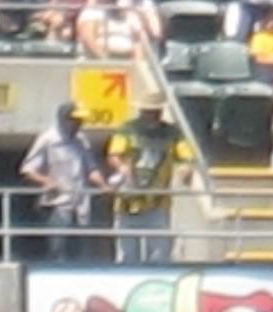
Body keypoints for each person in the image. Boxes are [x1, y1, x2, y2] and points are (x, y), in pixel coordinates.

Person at [105, 97, 193, 265]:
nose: (151, 115)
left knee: (160, 255)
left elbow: (187, 157)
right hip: (127, 201)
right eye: (147, 111)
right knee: (128, 255)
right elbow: (113, 155)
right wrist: (122, 167)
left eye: (154, 112)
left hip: (159, 202)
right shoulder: (127, 129)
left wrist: (184, 171)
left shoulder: (173, 133)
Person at [20, 103, 107, 260]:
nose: (79, 123)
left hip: (80, 204)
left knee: (82, 250)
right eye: (75, 120)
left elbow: (91, 168)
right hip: (57, 204)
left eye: (81, 120)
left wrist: (103, 185)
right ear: (64, 120)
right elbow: (28, 169)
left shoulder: (81, 140)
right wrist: (47, 181)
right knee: (58, 248)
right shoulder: (48, 139)